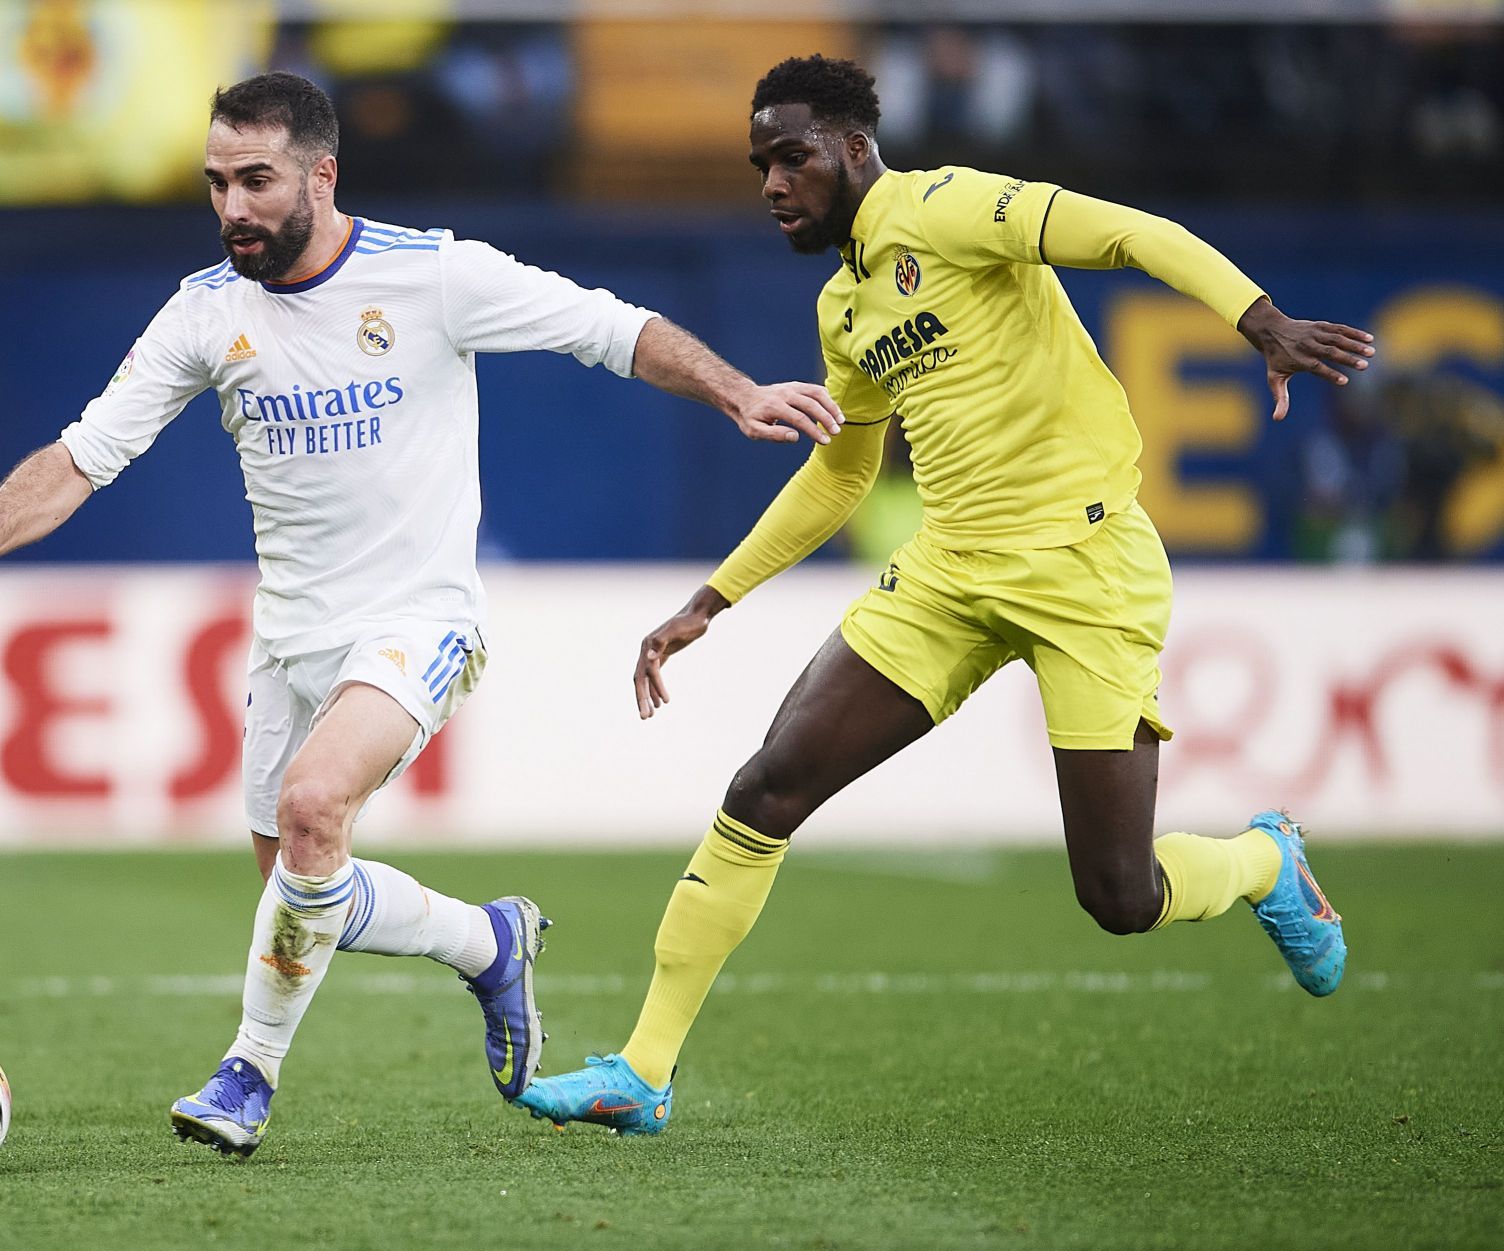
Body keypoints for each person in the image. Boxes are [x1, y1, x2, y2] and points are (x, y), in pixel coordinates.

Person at [0, 71, 841, 1159]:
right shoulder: (206, 312)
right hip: (290, 640)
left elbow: (610, 327)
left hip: (421, 618)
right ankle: (487, 942)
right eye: (216, 184)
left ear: (321, 172)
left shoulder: (434, 275)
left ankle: (245, 1077)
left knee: (312, 810)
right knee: (303, 890)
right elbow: (85, 454)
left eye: (255, 180)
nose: (233, 208)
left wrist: (737, 392)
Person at [515, 54, 1373, 1135]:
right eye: (758, 165)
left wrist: (1260, 321)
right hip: (951, 570)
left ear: (854, 148)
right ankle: (644, 1070)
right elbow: (842, 470)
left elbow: (1128, 233)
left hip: (1086, 570)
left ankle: (1262, 859)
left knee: (1117, 895)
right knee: (765, 790)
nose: (773, 184)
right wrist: (710, 600)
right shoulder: (847, 305)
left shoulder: (955, 208)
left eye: (791, 157)